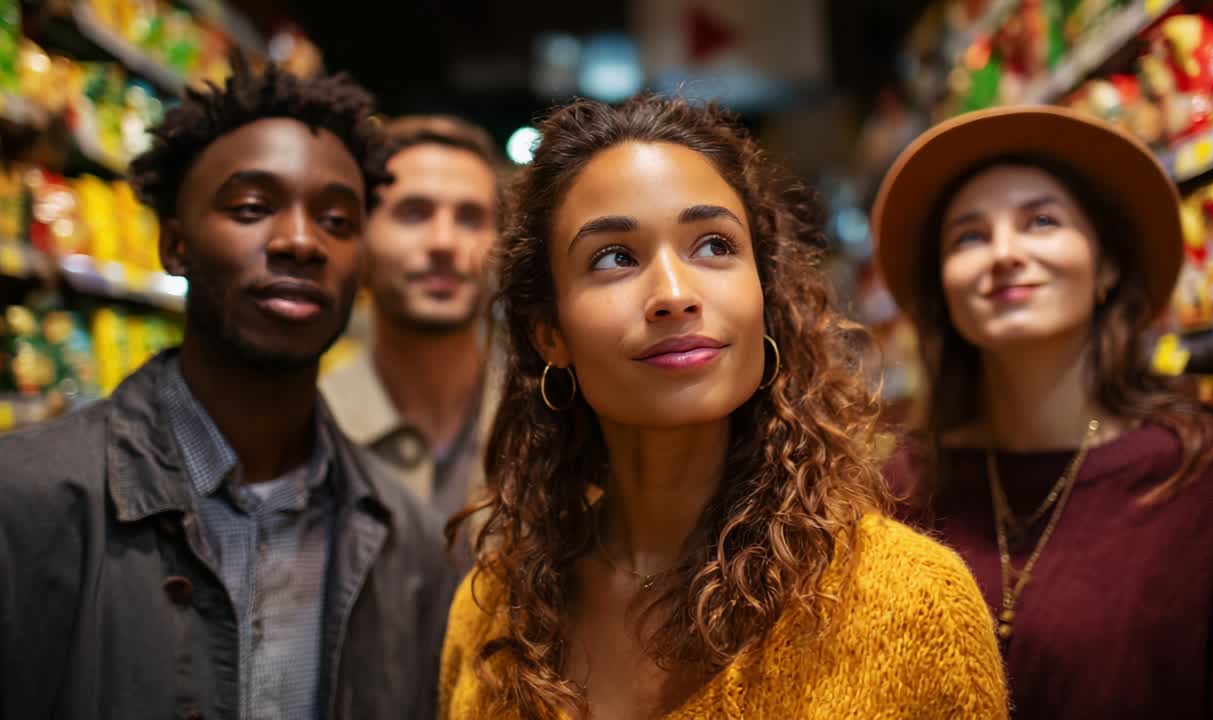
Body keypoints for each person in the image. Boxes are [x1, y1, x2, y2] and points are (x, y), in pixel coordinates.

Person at [439, 94, 1008, 719]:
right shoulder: (492, 610)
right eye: (614, 257)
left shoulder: (911, 605)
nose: (675, 295)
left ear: (763, 295)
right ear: (550, 332)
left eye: (713, 246)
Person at [0, 59, 455, 719]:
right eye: (251, 207)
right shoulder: (24, 504)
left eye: (337, 220)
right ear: (175, 246)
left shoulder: (409, 545)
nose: (301, 241)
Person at [872, 106, 1213, 718]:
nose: (1004, 254)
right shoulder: (901, 490)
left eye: (1041, 221)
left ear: (1107, 268)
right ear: (944, 288)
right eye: (969, 236)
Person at [321, 115, 503, 542]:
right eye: (413, 213)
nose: (444, 241)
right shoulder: (309, 431)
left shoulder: (555, 428)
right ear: (361, 233)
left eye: (471, 218)